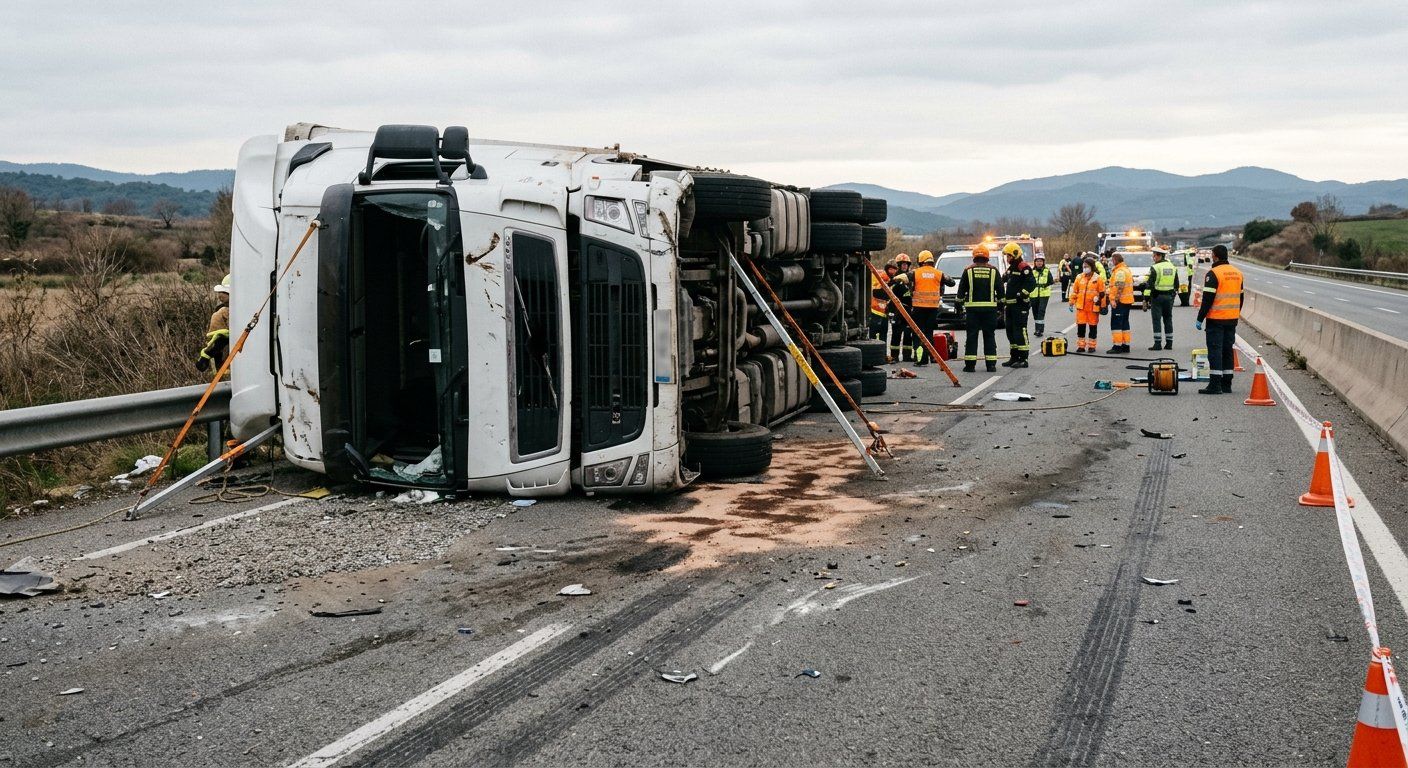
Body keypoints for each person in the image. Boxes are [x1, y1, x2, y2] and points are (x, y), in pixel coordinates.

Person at [1196, 244, 1244, 394]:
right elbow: (1241, 297)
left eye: (1212, 254)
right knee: (1227, 350)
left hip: (1216, 319)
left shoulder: (1213, 273)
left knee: (1215, 350)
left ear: (1215, 256)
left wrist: (1200, 318)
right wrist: (1235, 312)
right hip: (1232, 318)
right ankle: (1227, 384)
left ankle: (1215, 385)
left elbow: (1207, 299)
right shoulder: (1237, 273)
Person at [956, 244, 1000, 372]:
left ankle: (970, 365)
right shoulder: (993, 271)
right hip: (990, 310)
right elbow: (1000, 290)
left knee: (971, 337)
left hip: (973, 311)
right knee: (989, 336)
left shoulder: (968, 271)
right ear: (987, 257)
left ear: (974, 257)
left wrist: (959, 306)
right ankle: (991, 365)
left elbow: (961, 291)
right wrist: (1001, 307)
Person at [909, 250, 955, 366]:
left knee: (918, 333)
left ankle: (921, 359)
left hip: (918, 308)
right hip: (933, 309)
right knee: (929, 333)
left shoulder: (915, 273)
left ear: (920, 261)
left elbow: (902, 278)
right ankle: (933, 357)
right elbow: (952, 283)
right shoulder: (938, 273)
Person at [999, 243, 1035, 367]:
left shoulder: (1023, 267)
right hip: (1009, 307)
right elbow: (1003, 280)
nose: (1007, 258)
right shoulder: (1011, 268)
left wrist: (1021, 294)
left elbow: (1031, 283)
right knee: (1010, 331)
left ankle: (1023, 359)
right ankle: (1014, 357)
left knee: (1020, 331)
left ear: (1014, 255)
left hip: (1020, 306)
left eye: (1008, 256)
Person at [1141, 247, 1181, 350]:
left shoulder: (1155, 267)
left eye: (1154, 255)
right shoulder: (1172, 267)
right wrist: (1173, 295)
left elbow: (1150, 284)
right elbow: (1176, 283)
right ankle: (1169, 343)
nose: (1153, 257)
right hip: (1169, 297)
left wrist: (1146, 297)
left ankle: (1157, 343)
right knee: (1168, 319)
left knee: (1156, 320)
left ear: (1159, 256)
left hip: (1157, 297)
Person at [1068, 256, 1106, 353]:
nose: (1085, 268)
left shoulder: (1098, 279)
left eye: (1087, 266)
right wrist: (1071, 302)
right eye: (1084, 266)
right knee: (1081, 327)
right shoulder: (1079, 277)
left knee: (1093, 327)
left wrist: (1103, 305)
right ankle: (1081, 346)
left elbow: (1102, 293)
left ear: (1092, 267)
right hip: (1081, 307)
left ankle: (1092, 346)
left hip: (1093, 307)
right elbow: (1075, 291)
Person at [196, 274, 232, 374]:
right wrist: (206, 356)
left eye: (225, 292)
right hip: (227, 363)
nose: (221, 296)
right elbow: (216, 341)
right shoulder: (220, 313)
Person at [1106, 253, 1136, 354]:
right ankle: (1125, 345)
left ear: (1115, 260)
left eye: (1112, 260)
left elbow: (1119, 287)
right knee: (1124, 323)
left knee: (1116, 324)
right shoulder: (1126, 269)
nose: (1111, 262)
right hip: (1126, 301)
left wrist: (1115, 300)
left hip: (1120, 301)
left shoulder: (1120, 272)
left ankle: (1117, 346)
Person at [887, 269, 914, 362]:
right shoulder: (896, 284)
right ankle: (894, 356)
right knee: (896, 335)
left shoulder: (908, 285)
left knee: (907, 335)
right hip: (897, 313)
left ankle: (907, 356)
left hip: (907, 313)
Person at [870, 261, 896, 343]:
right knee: (874, 335)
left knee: (883, 335)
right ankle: (877, 354)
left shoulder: (889, 279)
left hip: (883, 312)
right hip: (876, 311)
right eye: (891, 269)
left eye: (895, 269)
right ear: (888, 269)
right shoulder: (883, 277)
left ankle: (883, 354)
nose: (893, 272)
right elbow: (877, 292)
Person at [1030, 254, 1055, 337]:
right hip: (1033, 294)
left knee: (1041, 311)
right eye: (1037, 261)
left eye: (1041, 261)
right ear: (1035, 262)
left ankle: (1039, 330)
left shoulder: (1046, 271)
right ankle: (1037, 328)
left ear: (1043, 262)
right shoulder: (1032, 271)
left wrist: (1044, 285)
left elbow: (1051, 281)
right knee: (1035, 312)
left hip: (1044, 294)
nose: (1039, 263)